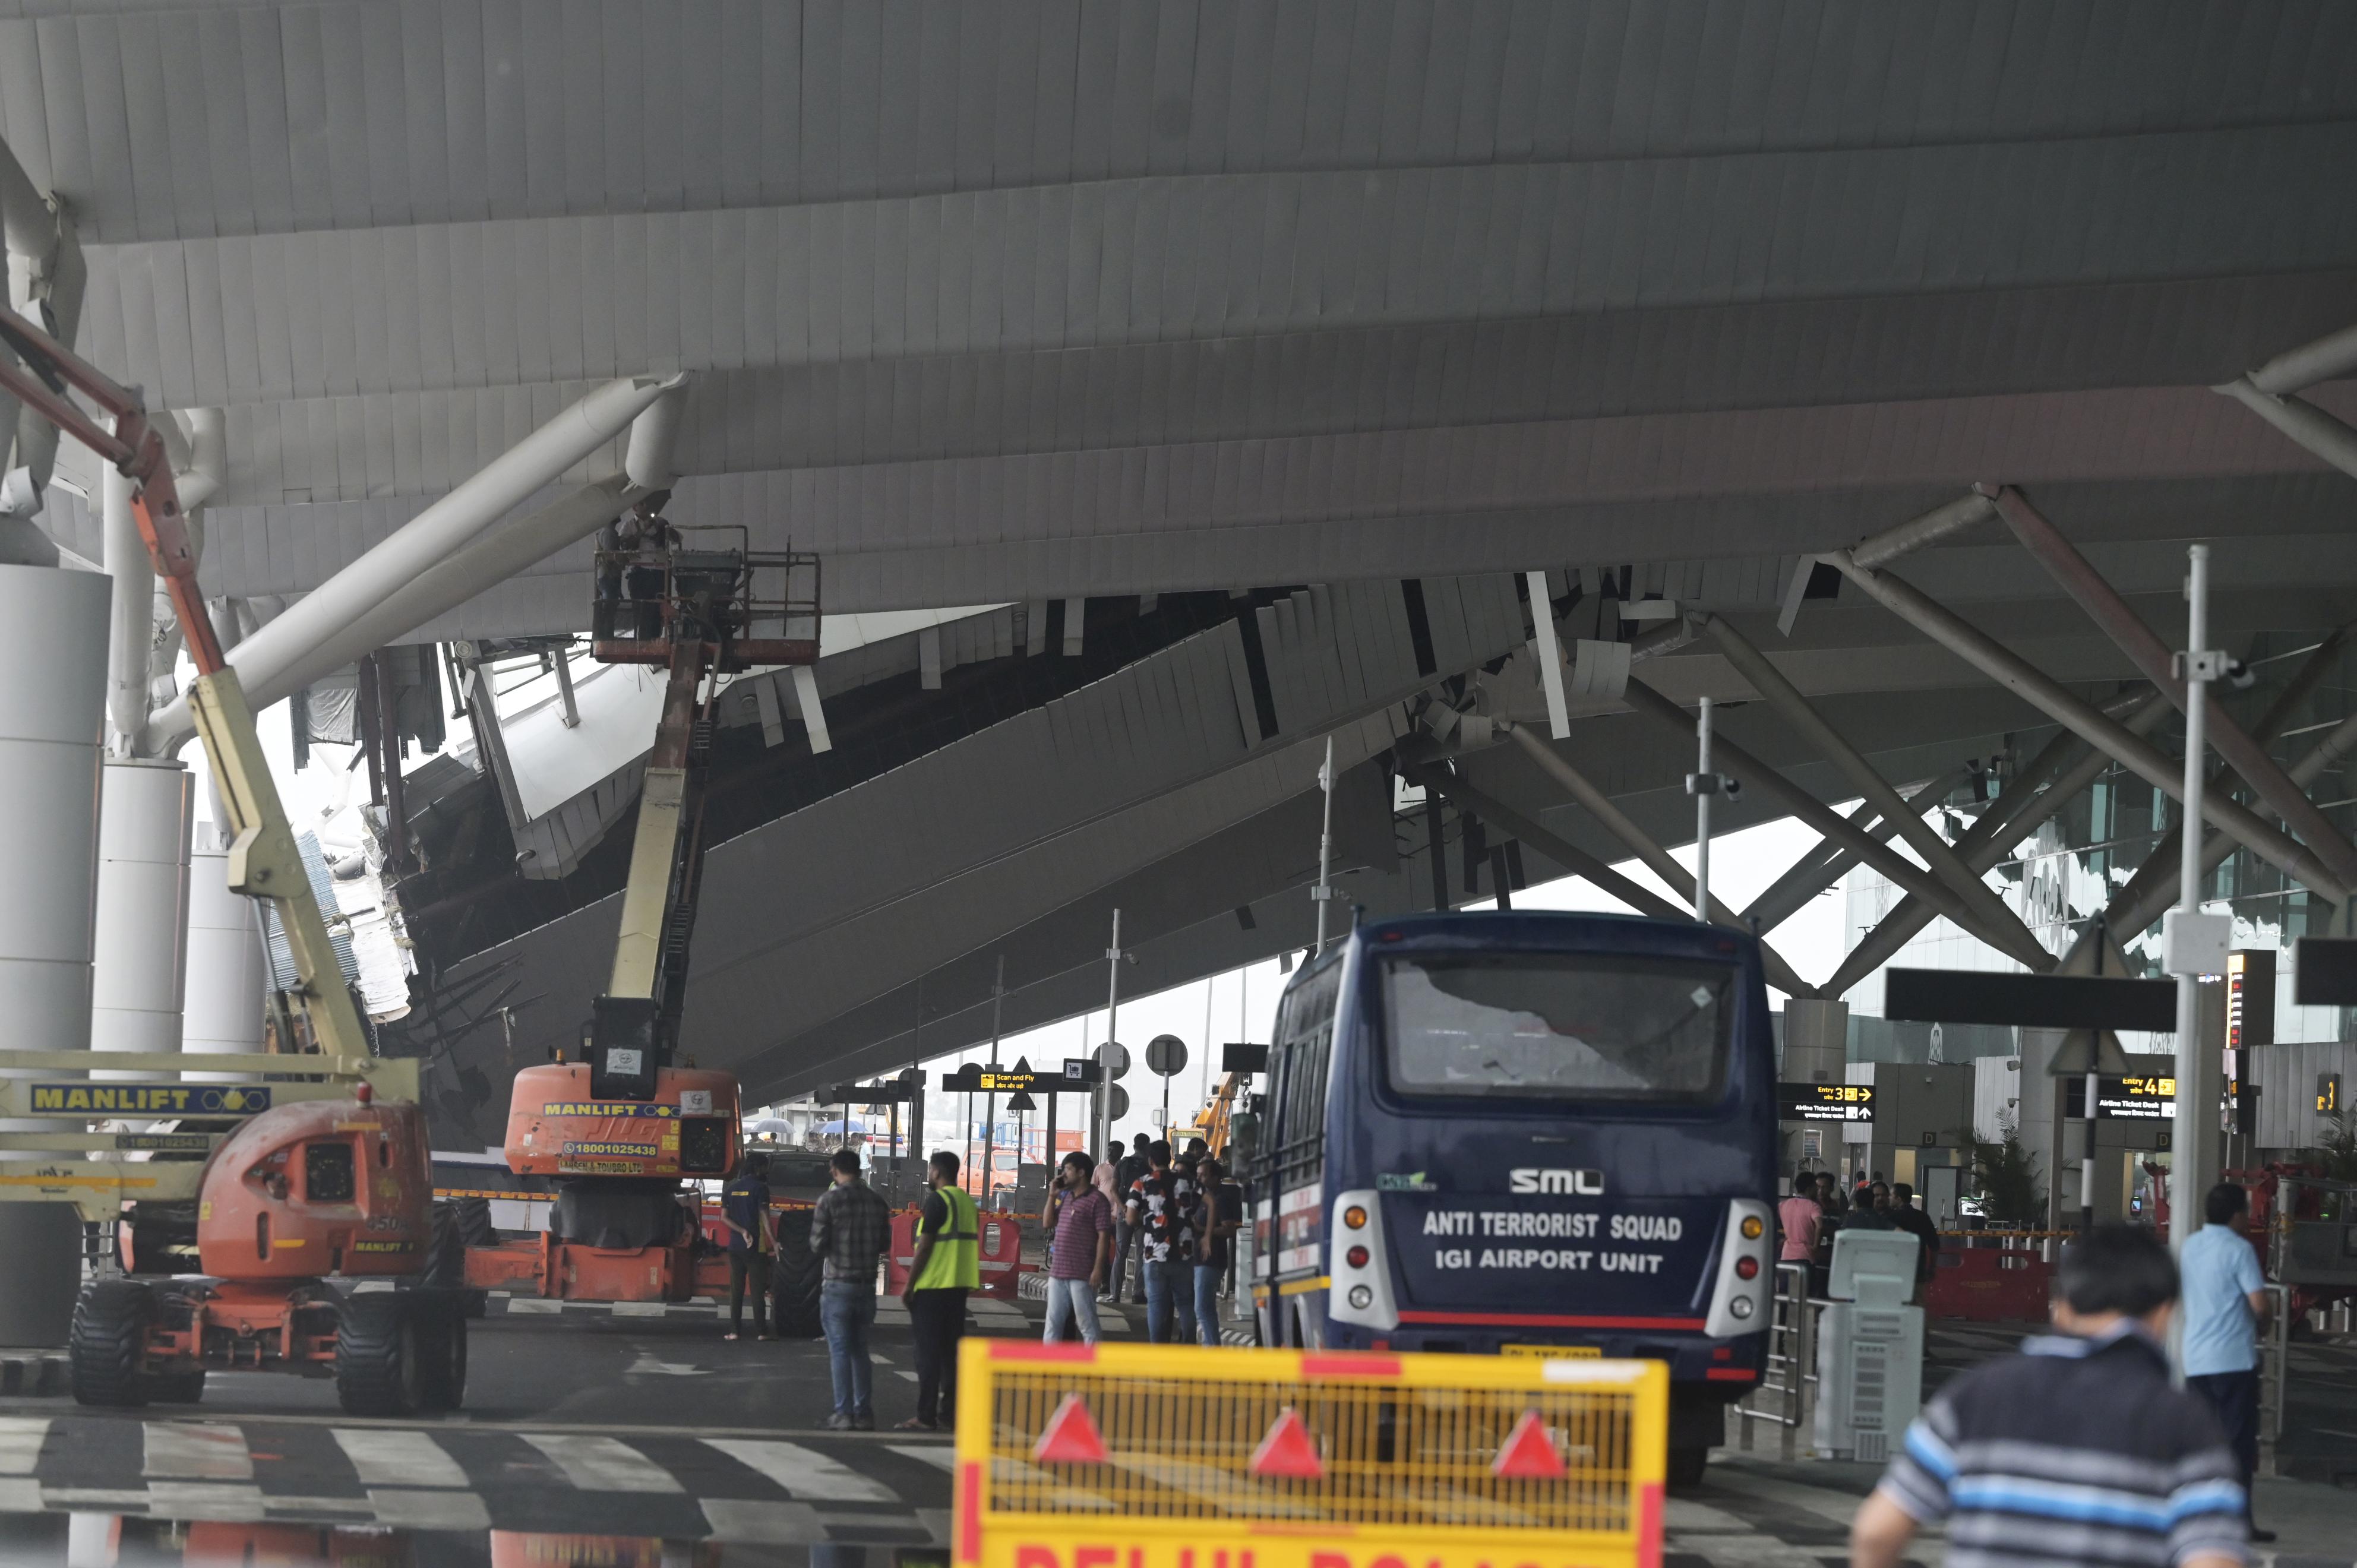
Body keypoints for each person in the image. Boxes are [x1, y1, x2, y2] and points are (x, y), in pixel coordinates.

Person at [1850, 1223, 2248, 1568]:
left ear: (2062, 1306)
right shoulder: (2183, 1422)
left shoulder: (1974, 1396)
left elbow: (1875, 1533)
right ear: (2164, 1313)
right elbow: (2213, 1559)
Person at [2181, 1182, 2274, 1545]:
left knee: (2200, 1445)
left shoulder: (2189, 1246)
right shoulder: (2239, 1249)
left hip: (2195, 1361)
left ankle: (2197, 1519)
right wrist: (2264, 1324)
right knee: (2237, 1447)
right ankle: (2237, 1523)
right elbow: (2260, 1305)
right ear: (2237, 1215)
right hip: (2233, 1362)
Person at [807, 1147, 890, 1430]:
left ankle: (843, 1413)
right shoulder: (877, 1202)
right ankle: (864, 1414)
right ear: (859, 1169)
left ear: (834, 1171)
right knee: (860, 1350)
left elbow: (817, 1245)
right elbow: (885, 1244)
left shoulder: (829, 1201)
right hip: (866, 1287)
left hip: (838, 1286)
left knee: (840, 1350)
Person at [898, 1150, 978, 1434]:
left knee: (928, 1356)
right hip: (959, 1287)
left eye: (930, 1170)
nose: (929, 1175)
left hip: (932, 1287)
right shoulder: (967, 1202)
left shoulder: (937, 1201)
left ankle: (926, 1416)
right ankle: (950, 1415)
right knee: (951, 1356)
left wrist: (909, 1285)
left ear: (937, 1172)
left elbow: (925, 1247)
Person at [1126, 1140, 1199, 1344]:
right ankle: (1189, 1344)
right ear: (1170, 1158)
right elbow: (1209, 1200)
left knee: (1157, 1305)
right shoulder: (1187, 1180)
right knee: (1186, 1304)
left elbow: (1130, 1218)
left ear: (1150, 1160)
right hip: (1184, 1252)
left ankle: (1158, 1349)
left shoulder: (1142, 1182)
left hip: (1155, 1252)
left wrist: (1147, 1223)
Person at [1044, 1151, 1114, 1344]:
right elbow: (1047, 1222)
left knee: (1087, 1323)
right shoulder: (1065, 1196)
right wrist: (1052, 1196)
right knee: (1053, 1323)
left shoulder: (1097, 1200)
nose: (1063, 1174)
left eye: (1068, 1169)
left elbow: (1103, 1237)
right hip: (1058, 1271)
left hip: (1082, 1273)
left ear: (1081, 1172)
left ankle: (1094, 1361)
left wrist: (1098, 1269)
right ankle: (1048, 1362)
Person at [719, 1151, 776, 1342]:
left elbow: (724, 1218)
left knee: (736, 1291)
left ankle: (734, 1331)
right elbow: (765, 1218)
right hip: (755, 1246)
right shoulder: (761, 1188)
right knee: (757, 1291)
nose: (767, 1171)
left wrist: (741, 1231)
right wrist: (774, 1242)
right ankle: (761, 1332)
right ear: (758, 1168)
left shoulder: (731, 1189)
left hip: (735, 1246)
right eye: (765, 1167)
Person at [1193, 1155, 1243, 1346]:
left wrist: (1202, 1230)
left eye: (1203, 1175)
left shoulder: (1221, 1200)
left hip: (1212, 1259)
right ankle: (1211, 1345)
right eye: (1197, 1175)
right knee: (1204, 1307)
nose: (1199, 1179)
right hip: (1199, 1259)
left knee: (1202, 1307)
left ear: (1215, 1178)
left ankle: (1212, 1348)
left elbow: (1229, 1229)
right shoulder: (1202, 1199)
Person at [1105, 1133, 1152, 1304]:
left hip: (1124, 1213)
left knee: (1120, 1254)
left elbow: (1113, 1189)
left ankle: (1114, 1294)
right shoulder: (1149, 1165)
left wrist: (1123, 1208)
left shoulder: (1122, 1163)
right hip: (1143, 1213)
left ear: (1133, 1146)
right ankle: (1138, 1293)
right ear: (1147, 1147)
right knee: (1141, 1253)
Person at [1888, 1183, 1941, 1302]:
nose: (1889, 1198)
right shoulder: (1923, 1217)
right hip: (1918, 1272)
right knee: (1917, 1306)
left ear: (1899, 1198)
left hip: (1895, 1272)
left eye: (1891, 1195)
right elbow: (1935, 1246)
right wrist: (1932, 1267)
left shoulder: (1891, 1218)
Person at [1778, 1163, 1822, 1267]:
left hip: (1786, 1255)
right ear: (1809, 1189)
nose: (1817, 1190)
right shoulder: (1813, 1206)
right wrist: (1816, 1247)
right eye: (1816, 1187)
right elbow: (1820, 1226)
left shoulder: (1783, 1205)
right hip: (1805, 1255)